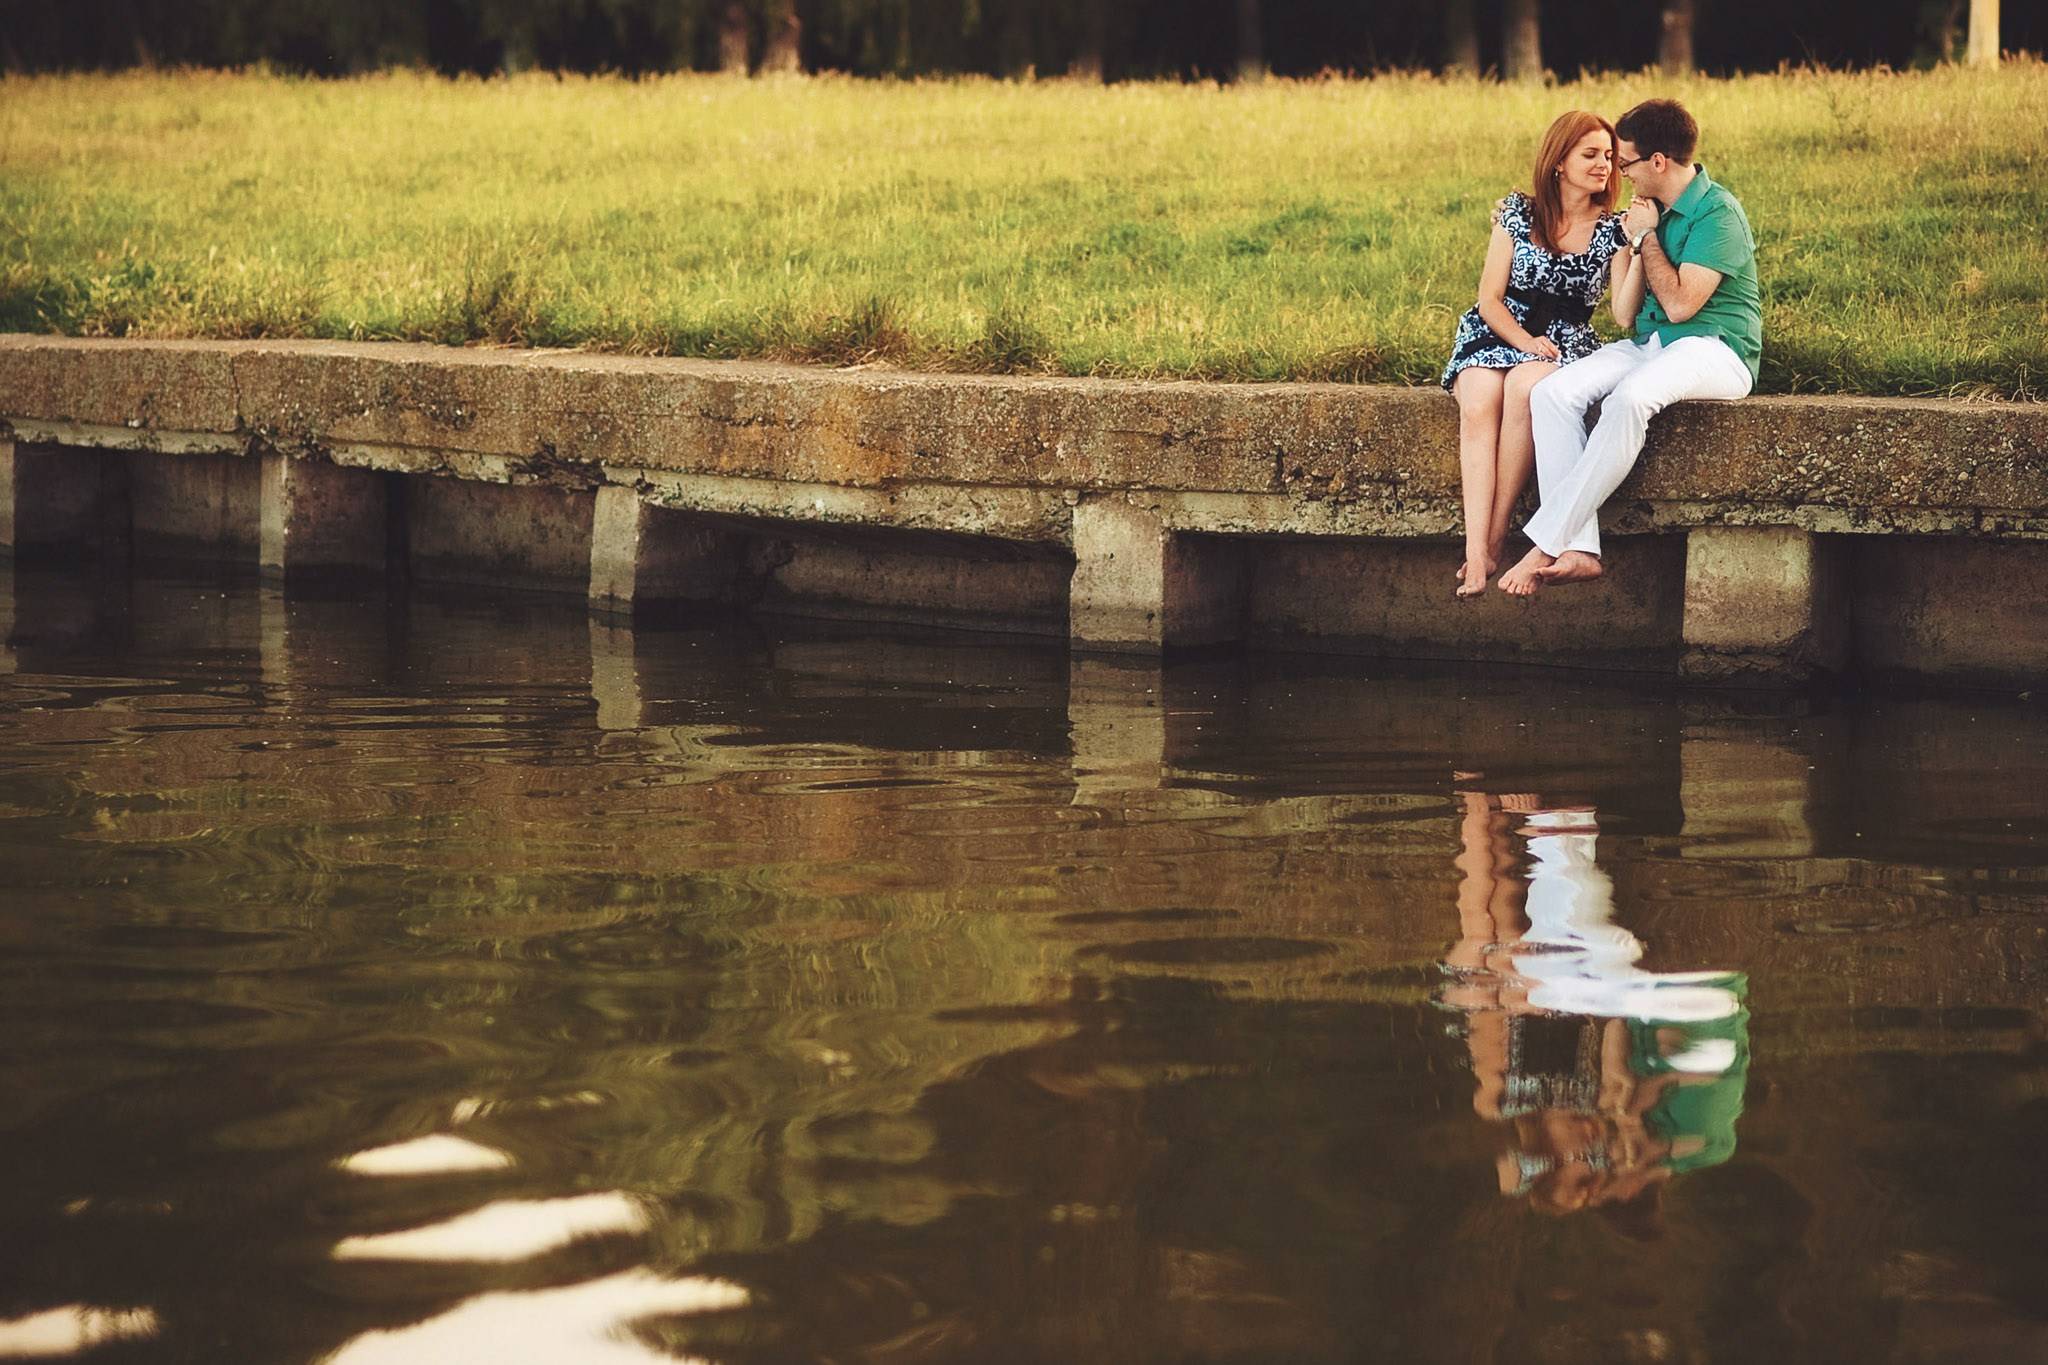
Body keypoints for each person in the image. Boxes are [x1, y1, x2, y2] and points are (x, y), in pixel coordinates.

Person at [1499, 98, 1763, 596]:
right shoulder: (1646, 211)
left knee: (1629, 400)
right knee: (1552, 394)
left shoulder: (1717, 213)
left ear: (1657, 162)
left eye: (1626, 163)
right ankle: (1579, 548)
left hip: (1716, 349)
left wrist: (1648, 239)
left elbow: (1683, 305)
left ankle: (1545, 542)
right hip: (1652, 344)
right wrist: (1629, 241)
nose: (1620, 173)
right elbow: (1624, 312)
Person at [1441, 110, 1629, 599]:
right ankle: (1473, 546)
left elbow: (1625, 313)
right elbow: (1489, 298)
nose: (1604, 165)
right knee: (1481, 399)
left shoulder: (1614, 230)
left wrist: (1641, 240)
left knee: (1525, 389)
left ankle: (1496, 536)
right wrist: (1522, 341)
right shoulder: (1517, 213)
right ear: (1558, 162)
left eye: (1608, 156)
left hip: (1563, 340)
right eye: (1590, 154)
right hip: (1498, 329)